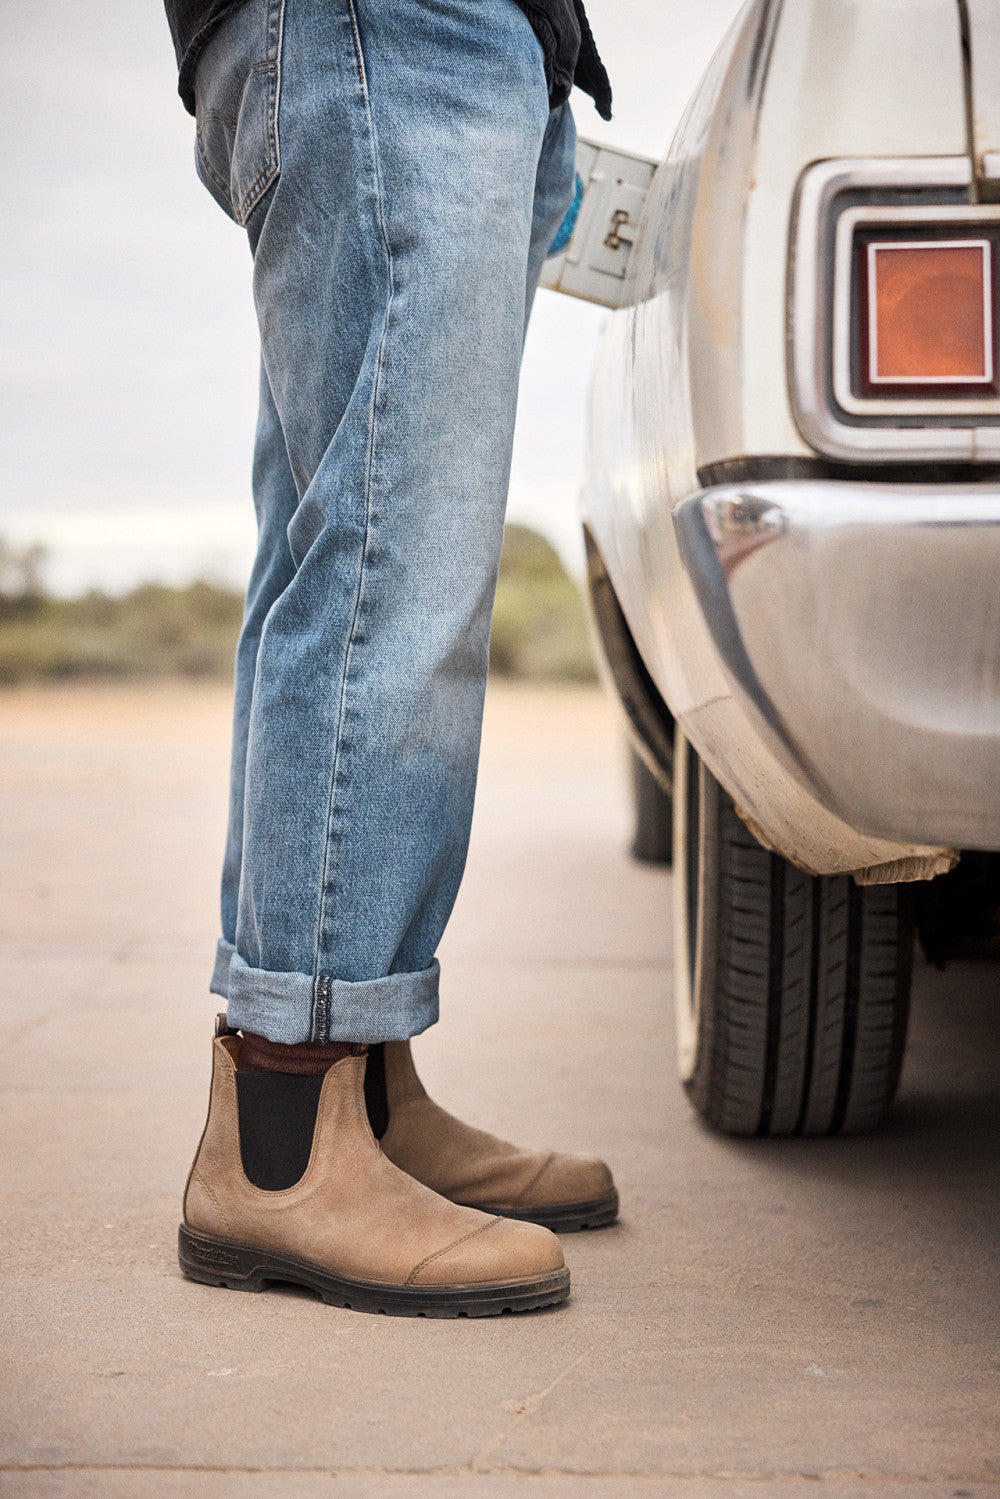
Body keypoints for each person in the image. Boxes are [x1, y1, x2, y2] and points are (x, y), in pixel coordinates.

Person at [163, 0, 617, 1318]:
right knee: (384, 576)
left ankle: (360, 1083)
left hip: (453, 43)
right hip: (390, 28)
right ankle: (283, 1150)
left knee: (342, 556)